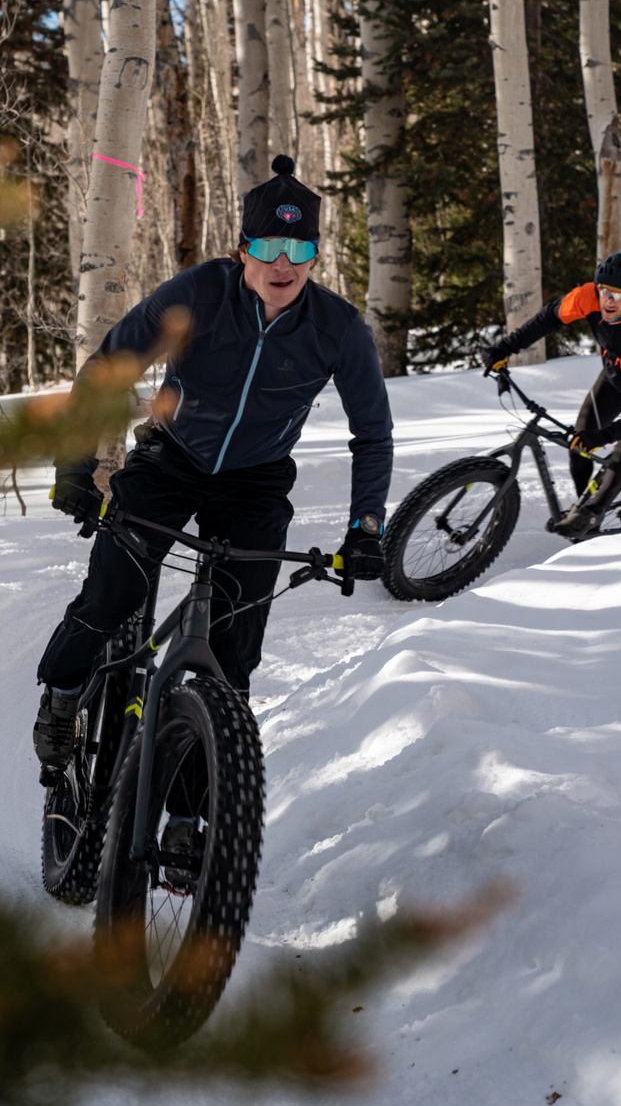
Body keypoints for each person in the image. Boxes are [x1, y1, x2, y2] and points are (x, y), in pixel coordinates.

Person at [33, 156, 393, 780]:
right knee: (114, 591)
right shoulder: (198, 294)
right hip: (171, 460)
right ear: (244, 249)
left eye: (299, 246)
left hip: (255, 483)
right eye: (268, 246)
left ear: (314, 255)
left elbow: (373, 431)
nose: (283, 264)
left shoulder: (338, 328)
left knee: (233, 649)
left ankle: (195, 819)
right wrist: (75, 466)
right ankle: (63, 692)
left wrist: (366, 527)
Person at [482, 250, 621, 539]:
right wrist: (503, 349)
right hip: (615, 377)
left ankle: (595, 512)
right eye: (604, 291)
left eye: (619, 295)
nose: (608, 301)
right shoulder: (588, 296)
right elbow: (547, 320)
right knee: (580, 440)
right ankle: (582, 508)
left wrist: (605, 436)